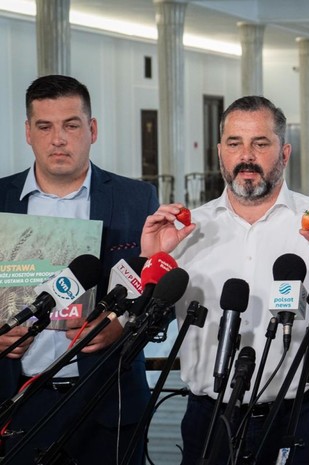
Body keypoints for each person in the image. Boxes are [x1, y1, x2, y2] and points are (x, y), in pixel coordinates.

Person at [140, 96, 309, 465]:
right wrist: (151, 260)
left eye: (260, 143)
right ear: (220, 152)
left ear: (285, 153)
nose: (246, 156)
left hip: (301, 419)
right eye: (234, 143)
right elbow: (143, 324)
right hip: (208, 421)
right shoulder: (186, 230)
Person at [0, 75, 157, 464]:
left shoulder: (136, 199)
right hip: (17, 401)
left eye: (71, 125)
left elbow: (161, 296)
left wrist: (122, 326)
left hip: (108, 401)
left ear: (92, 129)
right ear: (28, 132)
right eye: (44, 127)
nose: (58, 139)